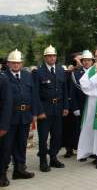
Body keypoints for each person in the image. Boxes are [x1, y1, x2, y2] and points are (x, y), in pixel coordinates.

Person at [0, 50, 38, 185]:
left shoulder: (28, 76)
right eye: (13, 63)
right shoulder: (3, 77)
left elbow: (33, 95)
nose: (16, 65)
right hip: (9, 117)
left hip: (25, 116)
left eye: (18, 63)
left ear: (22, 63)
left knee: (21, 144)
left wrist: (34, 113)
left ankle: (19, 169)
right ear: (8, 63)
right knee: (6, 146)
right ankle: (2, 174)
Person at [33, 45, 69, 172]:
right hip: (45, 108)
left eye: (54, 56)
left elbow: (64, 90)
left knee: (57, 136)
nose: (52, 58)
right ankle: (43, 161)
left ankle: (53, 158)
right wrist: (39, 111)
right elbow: (35, 94)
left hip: (58, 108)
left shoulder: (60, 70)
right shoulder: (38, 72)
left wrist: (65, 106)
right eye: (49, 56)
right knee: (43, 137)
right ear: (45, 57)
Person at [70, 50, 94, 162]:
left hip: (93, 105)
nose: (87, 62)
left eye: (89, 60)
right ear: (82, 61)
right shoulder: (76, 74)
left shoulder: (96, 73)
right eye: (85, 60)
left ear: (92, 61)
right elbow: (73, 92)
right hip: (81, 105)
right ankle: (82, 152)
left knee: (92, 129)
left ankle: (93, 151)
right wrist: (74, 107)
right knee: (80, 130)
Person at [0, 72, 12, 187]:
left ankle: (2, 175)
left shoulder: (2, 79)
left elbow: (7, 104)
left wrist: (3, 125)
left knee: (3, 151)